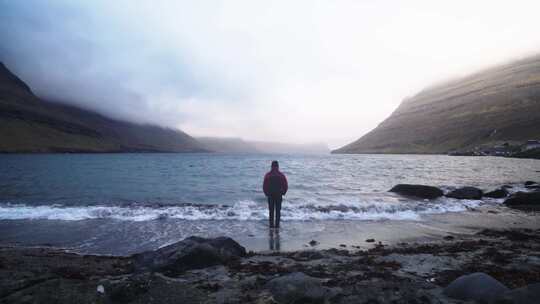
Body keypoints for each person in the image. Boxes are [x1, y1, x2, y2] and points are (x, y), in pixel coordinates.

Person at [263, 160, 288, 228]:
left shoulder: (268, 175)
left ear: (271, 166)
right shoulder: (281, 175)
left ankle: (271, 226)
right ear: (278, 166)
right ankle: (277, 226)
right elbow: (285, 185)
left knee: (271, 211)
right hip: (279, 195)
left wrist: (266, 193)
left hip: (270, 195)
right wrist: (283, 192)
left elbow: (264, 185)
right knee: (278, 211)